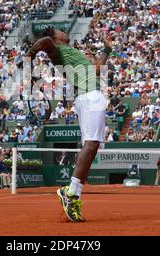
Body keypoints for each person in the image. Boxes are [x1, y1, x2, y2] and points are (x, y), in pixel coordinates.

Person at [26, 28, 112, 222]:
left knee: (92, 146)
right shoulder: (56, 50)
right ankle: (70, 192)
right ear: (57, 39)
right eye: (60, 31)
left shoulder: (72, 52)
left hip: (90, 95)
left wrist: (106, 50)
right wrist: (29, 56)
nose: (64, 32)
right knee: (91, 145)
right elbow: (45, 40)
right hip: (90, 96)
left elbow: (96, 70)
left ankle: (73, 196)